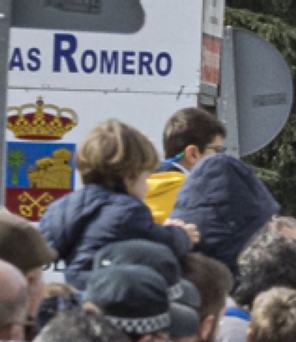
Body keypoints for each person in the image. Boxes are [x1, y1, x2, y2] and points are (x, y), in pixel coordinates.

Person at [38, 120, 196, 289]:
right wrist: (182, 234)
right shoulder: (130, 210)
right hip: (109, 294)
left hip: (73, 292)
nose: (148, 184)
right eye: (146, 176)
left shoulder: (60, 208)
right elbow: (162, 242)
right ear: (129, 177)